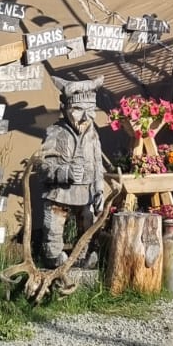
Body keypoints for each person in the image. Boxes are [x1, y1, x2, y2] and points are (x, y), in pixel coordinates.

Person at [39, 83, 106, 267]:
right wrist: (64, 172)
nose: (85, 117)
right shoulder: (55, 132)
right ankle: (53, 258)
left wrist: (99, 189)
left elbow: (97, 163)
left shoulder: (93, 134)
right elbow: (43, 166)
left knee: (87, 224)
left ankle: (82, 256)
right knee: (54, 226)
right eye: (77, 109)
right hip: (60, 193)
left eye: (90, 110)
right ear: (65, 109)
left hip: (86, 192)